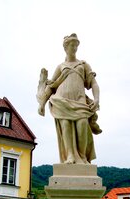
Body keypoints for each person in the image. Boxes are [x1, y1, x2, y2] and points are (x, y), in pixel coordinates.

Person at [37, 33, 102, 164]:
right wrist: (42, 104)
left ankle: (82, 157)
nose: (74, 48)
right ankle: (70, 156)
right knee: (65, 126)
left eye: (76, 45)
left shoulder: (83, 64)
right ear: (65, 47)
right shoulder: (60, 66)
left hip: (80, 101)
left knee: (82, 125)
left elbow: (93, 83)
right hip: (61, 101)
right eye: (71, 45)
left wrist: (96, 99)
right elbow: (50, 87)